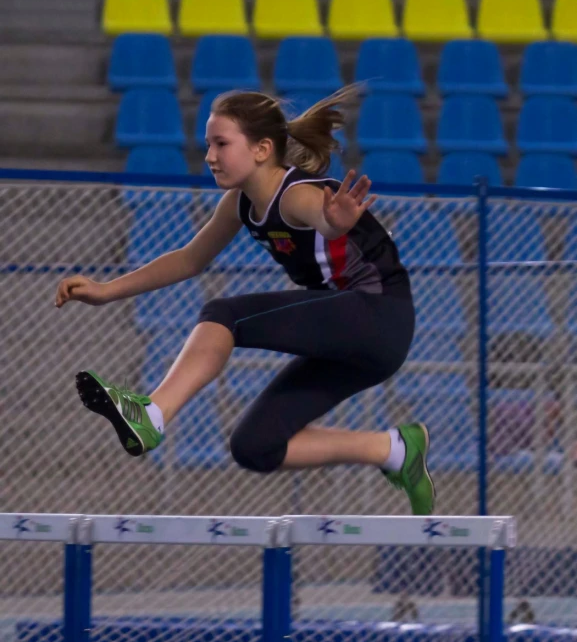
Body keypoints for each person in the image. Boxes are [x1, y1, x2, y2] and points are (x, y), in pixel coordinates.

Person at [54, 87, 435, 515]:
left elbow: (320, 219)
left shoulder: (295, 194)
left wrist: (332, 223)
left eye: (221, 144)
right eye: (207, 145)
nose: (210, 156)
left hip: (378, 315)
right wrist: (106, 291)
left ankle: (153, 414)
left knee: (224, 315)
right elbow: (189, 259)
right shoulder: (239, 203)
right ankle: (396, 450)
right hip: (361, 344)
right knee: (255, 446)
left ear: (261, 149)